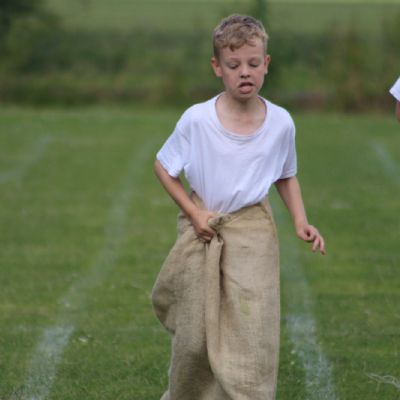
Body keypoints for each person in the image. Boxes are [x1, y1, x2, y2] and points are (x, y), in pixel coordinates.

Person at [152, 14, 325, 400]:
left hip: (253, 233)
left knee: (251, 332)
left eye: (252, 63)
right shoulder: (197, 120)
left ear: (266, 64)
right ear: (217, 67)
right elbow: (164, 167)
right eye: (233, 65)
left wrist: (301, 221)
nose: (244, 72)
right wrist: (195, 213)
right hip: (201, 229)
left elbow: (286, 175)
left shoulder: (281, 123)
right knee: (194, 338)